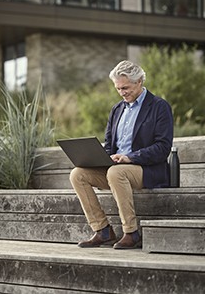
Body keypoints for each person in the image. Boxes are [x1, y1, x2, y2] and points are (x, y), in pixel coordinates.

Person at [70, 60, 173, 249]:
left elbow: (163, 147)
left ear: (140, 81)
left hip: (147, 169)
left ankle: (131, 233)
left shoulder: (159, 106)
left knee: (116, 173)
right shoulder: (117, 109)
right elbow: (109, 145)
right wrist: (100, 158)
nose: (122, 92)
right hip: (116, 168)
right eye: (118, 89)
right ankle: (103, 230)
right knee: (78, 174)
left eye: (126, 87)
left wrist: (130, 157)